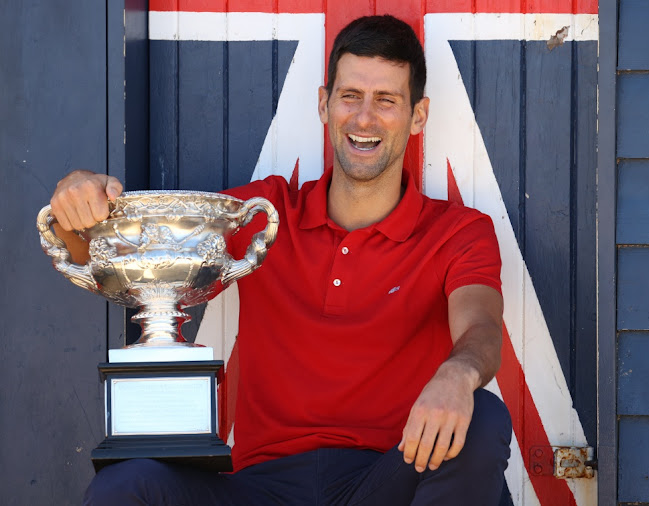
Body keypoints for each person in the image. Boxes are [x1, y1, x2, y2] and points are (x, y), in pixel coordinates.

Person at [50, 15, 512, 505]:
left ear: (418, 116)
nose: (364, 118)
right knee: (126, 487)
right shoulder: (266, 215)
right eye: (350, 95)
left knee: (482, 418)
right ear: (324, 103)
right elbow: (129, 256)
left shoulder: (458, 231)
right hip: (263, 487)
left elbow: (480, 327)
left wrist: (459, 373)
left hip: (388, 478)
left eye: (386, 101)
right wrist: (76, 210)